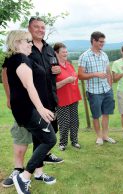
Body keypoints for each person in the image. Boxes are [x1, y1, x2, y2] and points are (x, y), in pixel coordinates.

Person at [5, 30, 57, 194]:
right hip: (29, 110)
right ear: (16, 43)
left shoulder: (16, 59)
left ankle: (36, 173)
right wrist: (41, 109)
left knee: (40, 138)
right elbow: (29, 86)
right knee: (49, 140)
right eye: (27, 41)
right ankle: (24, 177)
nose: (30, 44)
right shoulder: (21, 59)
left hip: (24, 109)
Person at [28, 16, 63, 163]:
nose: (40, 30)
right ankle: (35, 167)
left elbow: (53, 69)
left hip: (51, 97)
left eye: (43, 27)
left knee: (52, 129)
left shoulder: (49, 48)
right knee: (40, 134)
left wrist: (57, 70)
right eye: (37, 27)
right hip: (35, 99)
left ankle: (45, 155)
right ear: (29, 28)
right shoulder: (25, 47)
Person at [78, 31, 115, 145]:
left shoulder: (104, 55)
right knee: (96, 115)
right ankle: (98, 136)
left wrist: (109, 86)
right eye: (100, 42)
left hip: (106, 90)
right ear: (93, 41)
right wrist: (95, 74)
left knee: (106, 113)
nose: (102, 44)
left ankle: (105, 136)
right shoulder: (84, 56)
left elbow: (108, 71)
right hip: (94, 92)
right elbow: (80, 75)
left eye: (103, 42)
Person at [1, 60, 33, 188]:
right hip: (22, 104)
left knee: (43, 139)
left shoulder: (46, 51)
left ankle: (37, 171)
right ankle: (18, 169)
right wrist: (9, 97)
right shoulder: (14, 55)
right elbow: (5, 72)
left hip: (43, 103)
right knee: (20, 135)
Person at [54, 42, 82, 151]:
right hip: (62, 99)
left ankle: (74, 141)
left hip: (73, 97)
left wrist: (74, 80)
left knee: (75, 121)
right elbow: (53, 86)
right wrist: (67, 81)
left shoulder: (69, 64)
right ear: (56, 53)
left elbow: (74, 76)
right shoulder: (55, 68)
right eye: (63, 52)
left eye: (66, 51)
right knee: (64, 122)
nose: (66, 54)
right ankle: (63, 143)